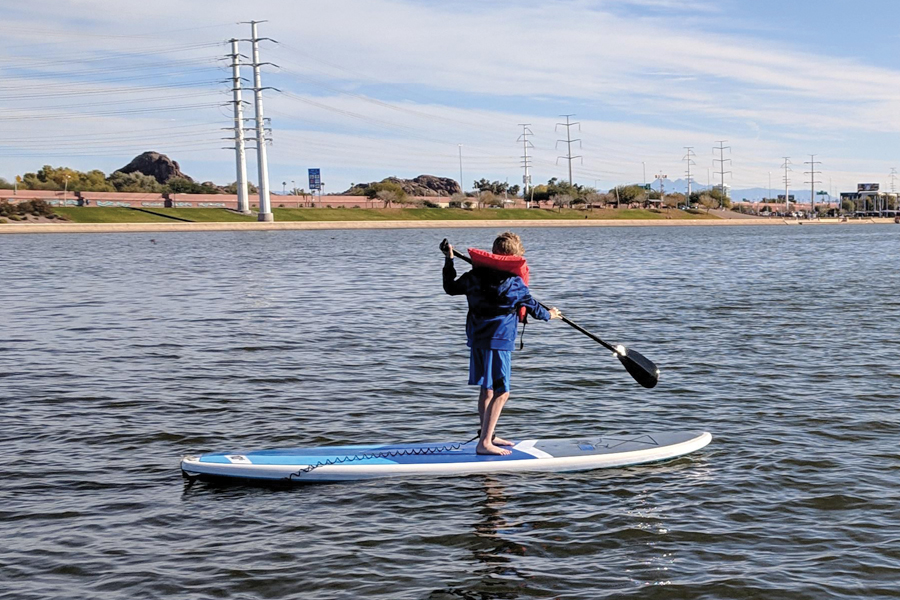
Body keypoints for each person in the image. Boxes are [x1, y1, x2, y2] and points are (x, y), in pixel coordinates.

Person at [442, 232, 561, 455]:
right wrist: (552, 314)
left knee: (487, 389)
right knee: (502, 392)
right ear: (515, 257)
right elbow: (537, 311)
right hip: (499, 341)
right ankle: (485, 443)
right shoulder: (515, 285)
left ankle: (488, 434)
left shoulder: (473, 277)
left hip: (477, 338)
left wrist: (449, 260)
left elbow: (450, 287)